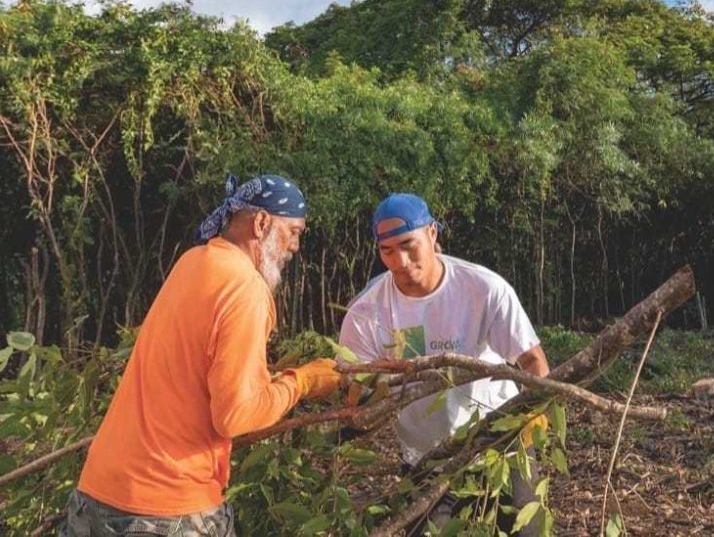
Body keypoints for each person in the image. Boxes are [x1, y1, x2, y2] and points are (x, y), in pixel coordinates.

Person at [61, 174, 344, 536]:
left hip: (97, 492)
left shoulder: (193, 262)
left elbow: (196, 370)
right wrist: (302, 381)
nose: (295, 247)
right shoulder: (245, 289)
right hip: (165, 508)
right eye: (294, 232)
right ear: (261, 224)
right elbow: (236, 416)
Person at [339, 192, 550, 534]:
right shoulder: (367, 312)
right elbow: (357, 399)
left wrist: (533, 413)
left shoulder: (482, 288)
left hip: (499, 448)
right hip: (426, 458)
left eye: (409, 244)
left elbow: (532, 360)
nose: (400, 261)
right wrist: (366, 392)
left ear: (432, 234)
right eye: (387, 251)